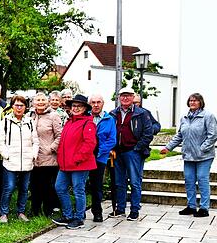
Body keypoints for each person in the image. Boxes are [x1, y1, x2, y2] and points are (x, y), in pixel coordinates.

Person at [161, 93, 217, 217]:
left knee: (202, 179)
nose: (192, 102)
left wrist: (202, 148)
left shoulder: (208, 116)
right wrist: (168, 147)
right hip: (188, 155)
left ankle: (204, 208)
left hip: (204, 156)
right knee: (189, 180)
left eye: (195, 100)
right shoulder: (184, 117)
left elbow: (213, 135)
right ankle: (191, 206)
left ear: (200, 102)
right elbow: (179, 135)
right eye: (191, 100)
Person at [108, 87, 154, 221]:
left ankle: (134, 210)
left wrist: (137, 148)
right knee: (119, 182)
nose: (125, 98)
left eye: (128, 95)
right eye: (122, 96)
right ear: (119, 98)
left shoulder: (141, 113)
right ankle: (120, 209)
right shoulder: (113, 113)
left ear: (133, 97)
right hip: (118, 152)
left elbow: (148, 133)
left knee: (135, 182)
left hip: (133, 152)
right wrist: (112, 148)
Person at [52, 95, 97, 230]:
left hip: (79, 164)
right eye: (73, 106)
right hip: (65, 164)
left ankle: (79, 218)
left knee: (78, 190)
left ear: (84, 109)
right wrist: (61, 157)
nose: (75, 108)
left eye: (79, 106)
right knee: (59, 187)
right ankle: (67, 215)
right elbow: (63, 142)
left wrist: (77, 158)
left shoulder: (88, 123)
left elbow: (90, 144)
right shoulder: (69, 122)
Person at [0, 95, 38, 223]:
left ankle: (21, 212)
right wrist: (6, 154)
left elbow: (35, 141)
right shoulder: (6, 122)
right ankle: (4, 213)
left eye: (22, 105)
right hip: (11, 161)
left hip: (27, 160)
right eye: (16, 105)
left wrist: (33, 155)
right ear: (12, 106)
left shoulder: (30, 122)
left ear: (25, 107)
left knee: (24, 188)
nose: (19, 108)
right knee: (9, 187)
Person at [27, 92, 63, 217]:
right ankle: (35, 210)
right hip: (33, 158)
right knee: (34, 185)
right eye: (38, 100)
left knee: (47, 186)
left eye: (43, 100)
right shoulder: (30, 115)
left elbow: (60, 135)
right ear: (33, 103)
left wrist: (51, 148)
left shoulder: (54, 116)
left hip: (49, 158)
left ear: (47, 101)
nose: (40, 102)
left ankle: (48, 210)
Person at [87, 94, 117, 222]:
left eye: (98, 102)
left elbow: (112, 140)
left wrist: (100, 152)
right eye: (93, 102)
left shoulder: (109, 119)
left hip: (100, 157)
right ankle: (80, 212)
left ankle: (97, 212)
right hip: (85, 157)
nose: (96, 105)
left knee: (96, 186)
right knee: (81, 185)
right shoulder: (85, 117)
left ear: (103, 103)